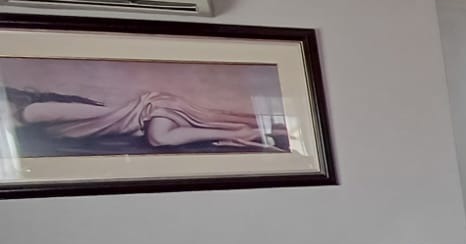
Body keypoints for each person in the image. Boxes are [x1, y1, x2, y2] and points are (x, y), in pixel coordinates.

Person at [4, 86, 270, 152]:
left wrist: (136, 122)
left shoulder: (32, 113)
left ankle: (237, 133)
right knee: (160, 137)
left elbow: (107, 116)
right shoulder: (31, 128)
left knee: (159, 138)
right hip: (147, 113)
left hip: (148, 110)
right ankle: (239, 132)